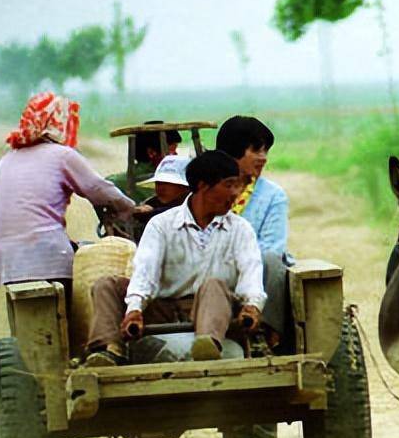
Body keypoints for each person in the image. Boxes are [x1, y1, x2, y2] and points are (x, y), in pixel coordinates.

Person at [84, 151, 265, 365]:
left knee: (214, 285)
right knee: (107, 285)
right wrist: (134, 309)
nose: (235, 193)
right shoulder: (162, 225)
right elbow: (145, 272)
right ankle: (109, 350)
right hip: (166, 310)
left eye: (237, 185)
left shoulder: (240, 229)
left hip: (217, 310)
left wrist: (252, 305)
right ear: (202, 186)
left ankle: (207, 345)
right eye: (229, 185)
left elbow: (251, 273)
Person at [0, 91, 136, 298]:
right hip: (48, 259)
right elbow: (99, 190)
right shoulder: (61, 156)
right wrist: (130, 208)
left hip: (9, 264)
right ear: (57, 123)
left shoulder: (5, 162)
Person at [215, 115, 291, 348]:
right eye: (256, 151)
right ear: (234, 152)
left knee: (271, 259)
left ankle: (266, 334)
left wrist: (237, 260)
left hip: (257, 268)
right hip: (213, 267)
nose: (263, 158)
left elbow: (273, 246)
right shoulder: (210, 189)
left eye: (266, 151)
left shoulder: (273, 195)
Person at [106, 120, 182, 194]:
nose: (176, 155)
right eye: (172, 150)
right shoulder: (171, 181)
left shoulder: (112, 183)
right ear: (151, 153)